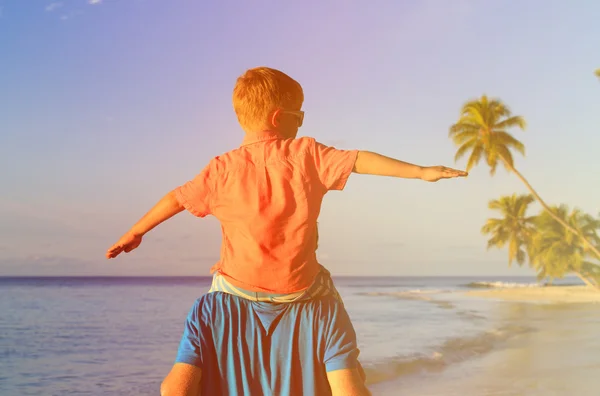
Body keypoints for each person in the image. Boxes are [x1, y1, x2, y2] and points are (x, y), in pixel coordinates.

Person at [106, 67, 467, 395]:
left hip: (234, 290)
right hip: (302, 291)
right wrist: (420, 171)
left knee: (203, 327)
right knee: (332, 315)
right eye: (301, 115)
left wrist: (135, 232)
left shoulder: (220, 170)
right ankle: (341, 368)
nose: (303, 123)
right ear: (280, 118)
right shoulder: (306, 153)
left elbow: (177, 199)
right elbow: (360, 160)